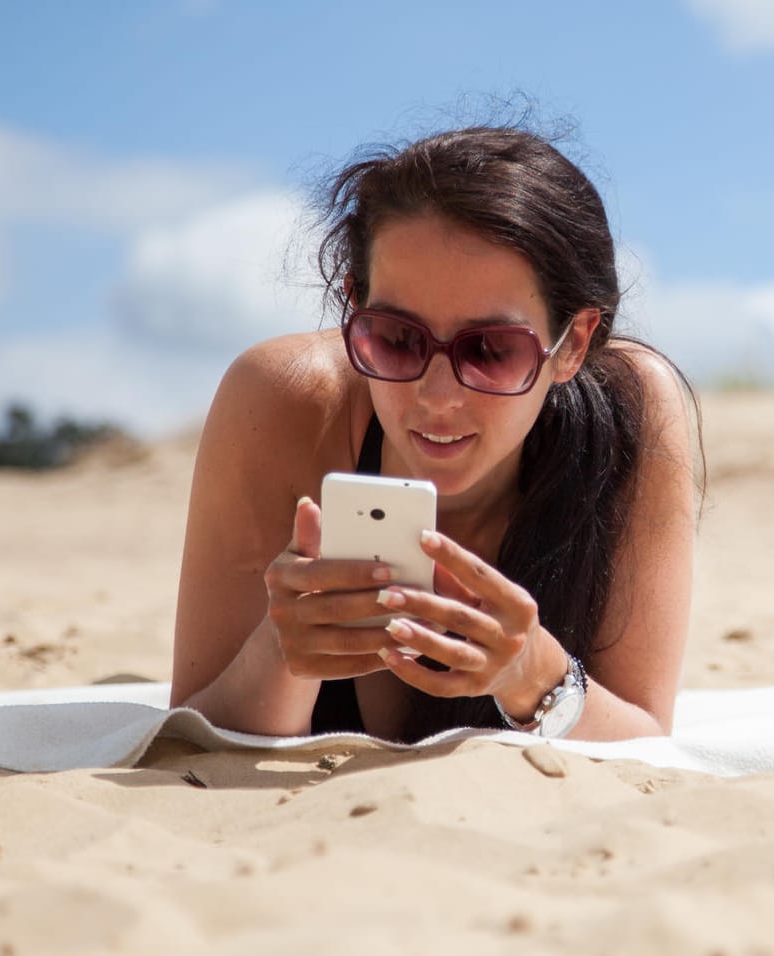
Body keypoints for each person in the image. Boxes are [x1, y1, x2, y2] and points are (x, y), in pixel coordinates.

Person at [170, 127, 700, 743]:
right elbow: (195, 736)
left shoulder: (630, 414)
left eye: (492, 350)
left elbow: (646, 740)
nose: (438, 395)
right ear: (353, 308)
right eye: (396, 339)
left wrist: (536, 675)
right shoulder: (283, 401)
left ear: (573, 344)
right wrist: (283, 654)